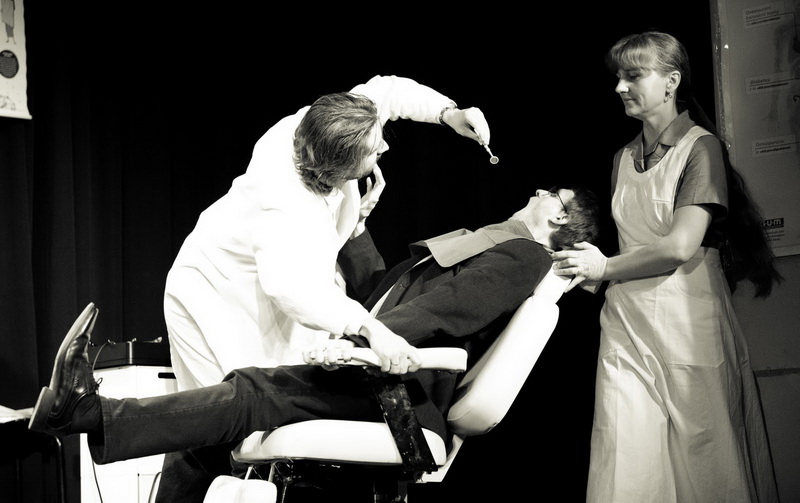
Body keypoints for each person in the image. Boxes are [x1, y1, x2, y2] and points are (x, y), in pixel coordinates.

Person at [30, 185, 601, 502]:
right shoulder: (487, 244)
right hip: (375, 377)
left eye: (553, 194)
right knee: (205, 434)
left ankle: (87, 413)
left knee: (251, 391)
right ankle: (87, 413)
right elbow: (383, 296)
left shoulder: (524, 254)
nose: (538, 190)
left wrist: (359, 341)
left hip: (397, 396)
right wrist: (358, 229)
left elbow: (449, 311)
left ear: (563, 221)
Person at [550, 31, 782, 502]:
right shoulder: (622, 158)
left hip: (687, 321)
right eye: (619, 76)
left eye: (634, 76)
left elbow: (679, 246)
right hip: (627, 322)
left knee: (707, 459)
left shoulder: (701, 148)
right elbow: (631, 243)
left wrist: (603, 267)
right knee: (624, 455)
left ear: (671, 81)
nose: (620, 86)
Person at [163, 75, 493, 392]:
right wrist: (369, 328)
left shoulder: (327, 124)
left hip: (269, 296)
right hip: (212, 292)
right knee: (226, 410)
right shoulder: (283, 203)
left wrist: (449, 113)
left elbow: (389, 92)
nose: (384, 147)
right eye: (373, 150)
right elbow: (290, 287)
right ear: (339, 167)